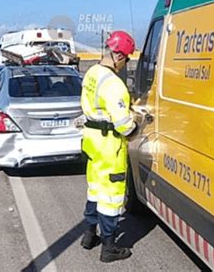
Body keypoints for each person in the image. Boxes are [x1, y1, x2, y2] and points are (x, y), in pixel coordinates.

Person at [79, 30, 138, 263]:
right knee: (111, 195)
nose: (127, 63)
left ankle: (88, 234)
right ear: (120, 56)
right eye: (128, 58)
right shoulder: (114, 84)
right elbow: (123, 124)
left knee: (95, 188)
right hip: (109, 144)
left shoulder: (93, 73)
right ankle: (109, 246)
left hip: (92, 139)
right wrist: (136, 127)